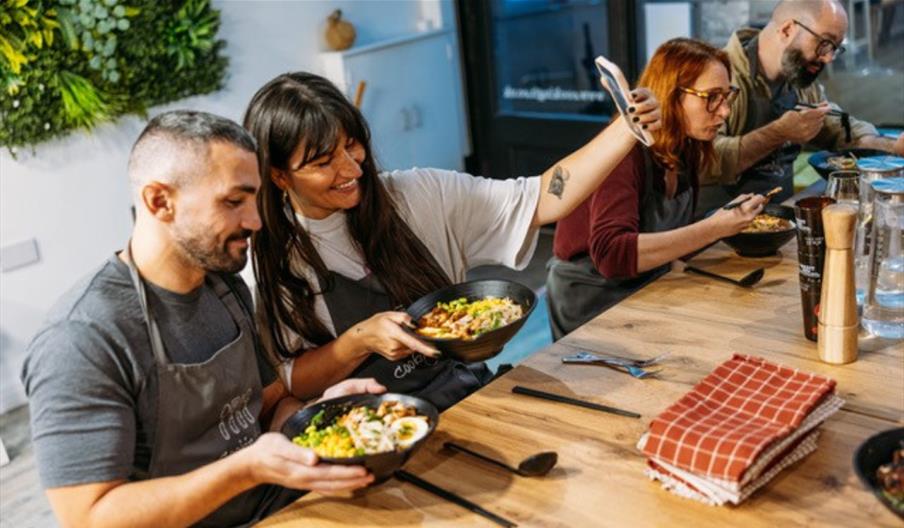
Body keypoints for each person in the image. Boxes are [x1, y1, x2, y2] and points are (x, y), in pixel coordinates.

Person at [20, 111, 383, 528]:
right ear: (160, 202)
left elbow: (268, 405)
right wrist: (247, 468)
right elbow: (88, 517)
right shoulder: (82, 338)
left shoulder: (225, 287)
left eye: (253, 199)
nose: (255, 221)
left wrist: (317, 414)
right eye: (233, 202)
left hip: (275, 507)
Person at [241, 72, 662, 411]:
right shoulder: (281, 263)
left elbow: (542, 197)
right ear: (279, 176)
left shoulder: (418, 195)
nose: (352, 168)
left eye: (352, 145)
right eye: (323, 162)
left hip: (465, 395)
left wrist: (626, 129)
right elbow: (293, 380)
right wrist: (359, 340)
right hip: (378, 430)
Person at [547, 38, 768, 340]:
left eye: (727, 96)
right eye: (712, 98)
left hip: (644, 286)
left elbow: (672, 242)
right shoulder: (626, 151)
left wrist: (725, 221)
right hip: (590, 299)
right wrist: (714, 228)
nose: (725, 112)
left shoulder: (688, 147)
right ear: (671, 95)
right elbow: (612, 255)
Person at [698, 0, 904, 213]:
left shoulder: (798, 78)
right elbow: (705, 161)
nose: (828, 58)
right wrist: (778, 133)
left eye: (835, 48)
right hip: (718, 224)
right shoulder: (719, 78)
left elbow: (837, 128)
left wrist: (891, 146)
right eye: (824, 43)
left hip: (781, 215)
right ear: (787, 30)